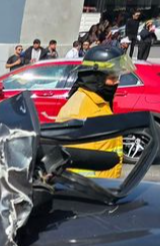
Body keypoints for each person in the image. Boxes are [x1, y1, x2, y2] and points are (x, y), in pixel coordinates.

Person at [55, 43, 128, 179]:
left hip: (105, 186)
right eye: (112, 78)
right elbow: (75, 164)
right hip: (91, 188)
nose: (117, 82)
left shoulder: (98, 102)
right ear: (96, 78)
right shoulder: (79, 112)